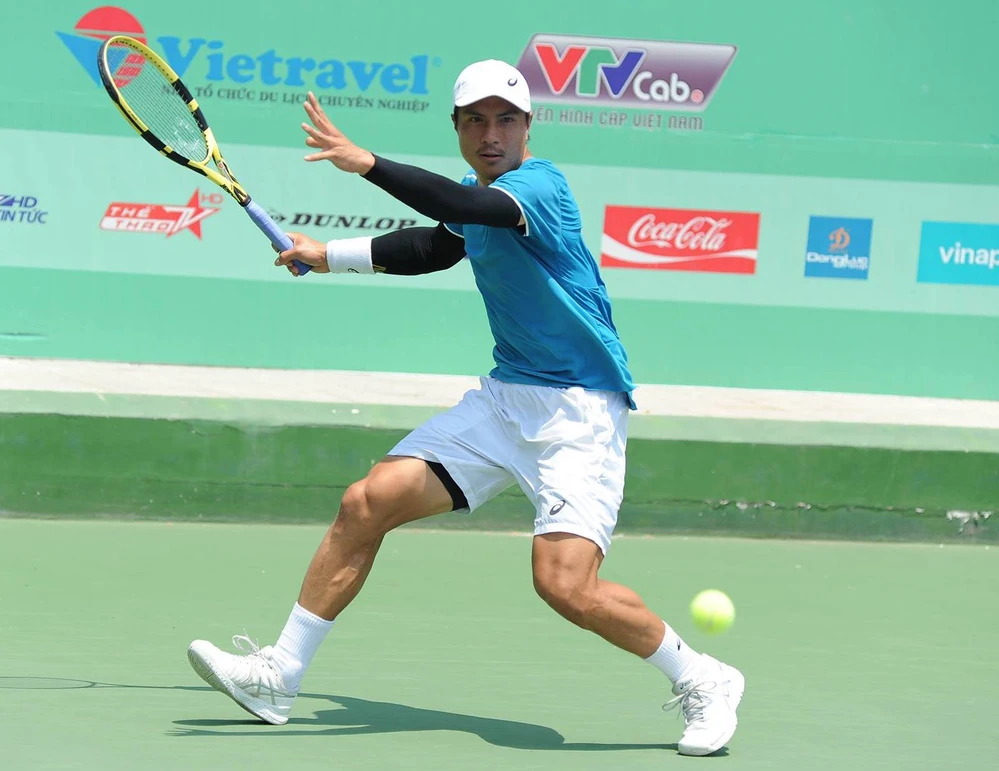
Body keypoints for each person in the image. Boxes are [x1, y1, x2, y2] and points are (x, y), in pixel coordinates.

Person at [187, 59, 744, 756]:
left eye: (505, 120)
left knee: (566, 586)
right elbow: (434, 245)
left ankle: (703, 677)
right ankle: (279, 675)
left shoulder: (538, 188)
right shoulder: (475, 196)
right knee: (367, 501)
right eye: (475, 121)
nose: (491, 134)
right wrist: (330, 255)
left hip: (578, 414)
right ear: (456, 128)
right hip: (506, 399)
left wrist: (367, 164)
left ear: (528, 126)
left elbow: (473, 212)